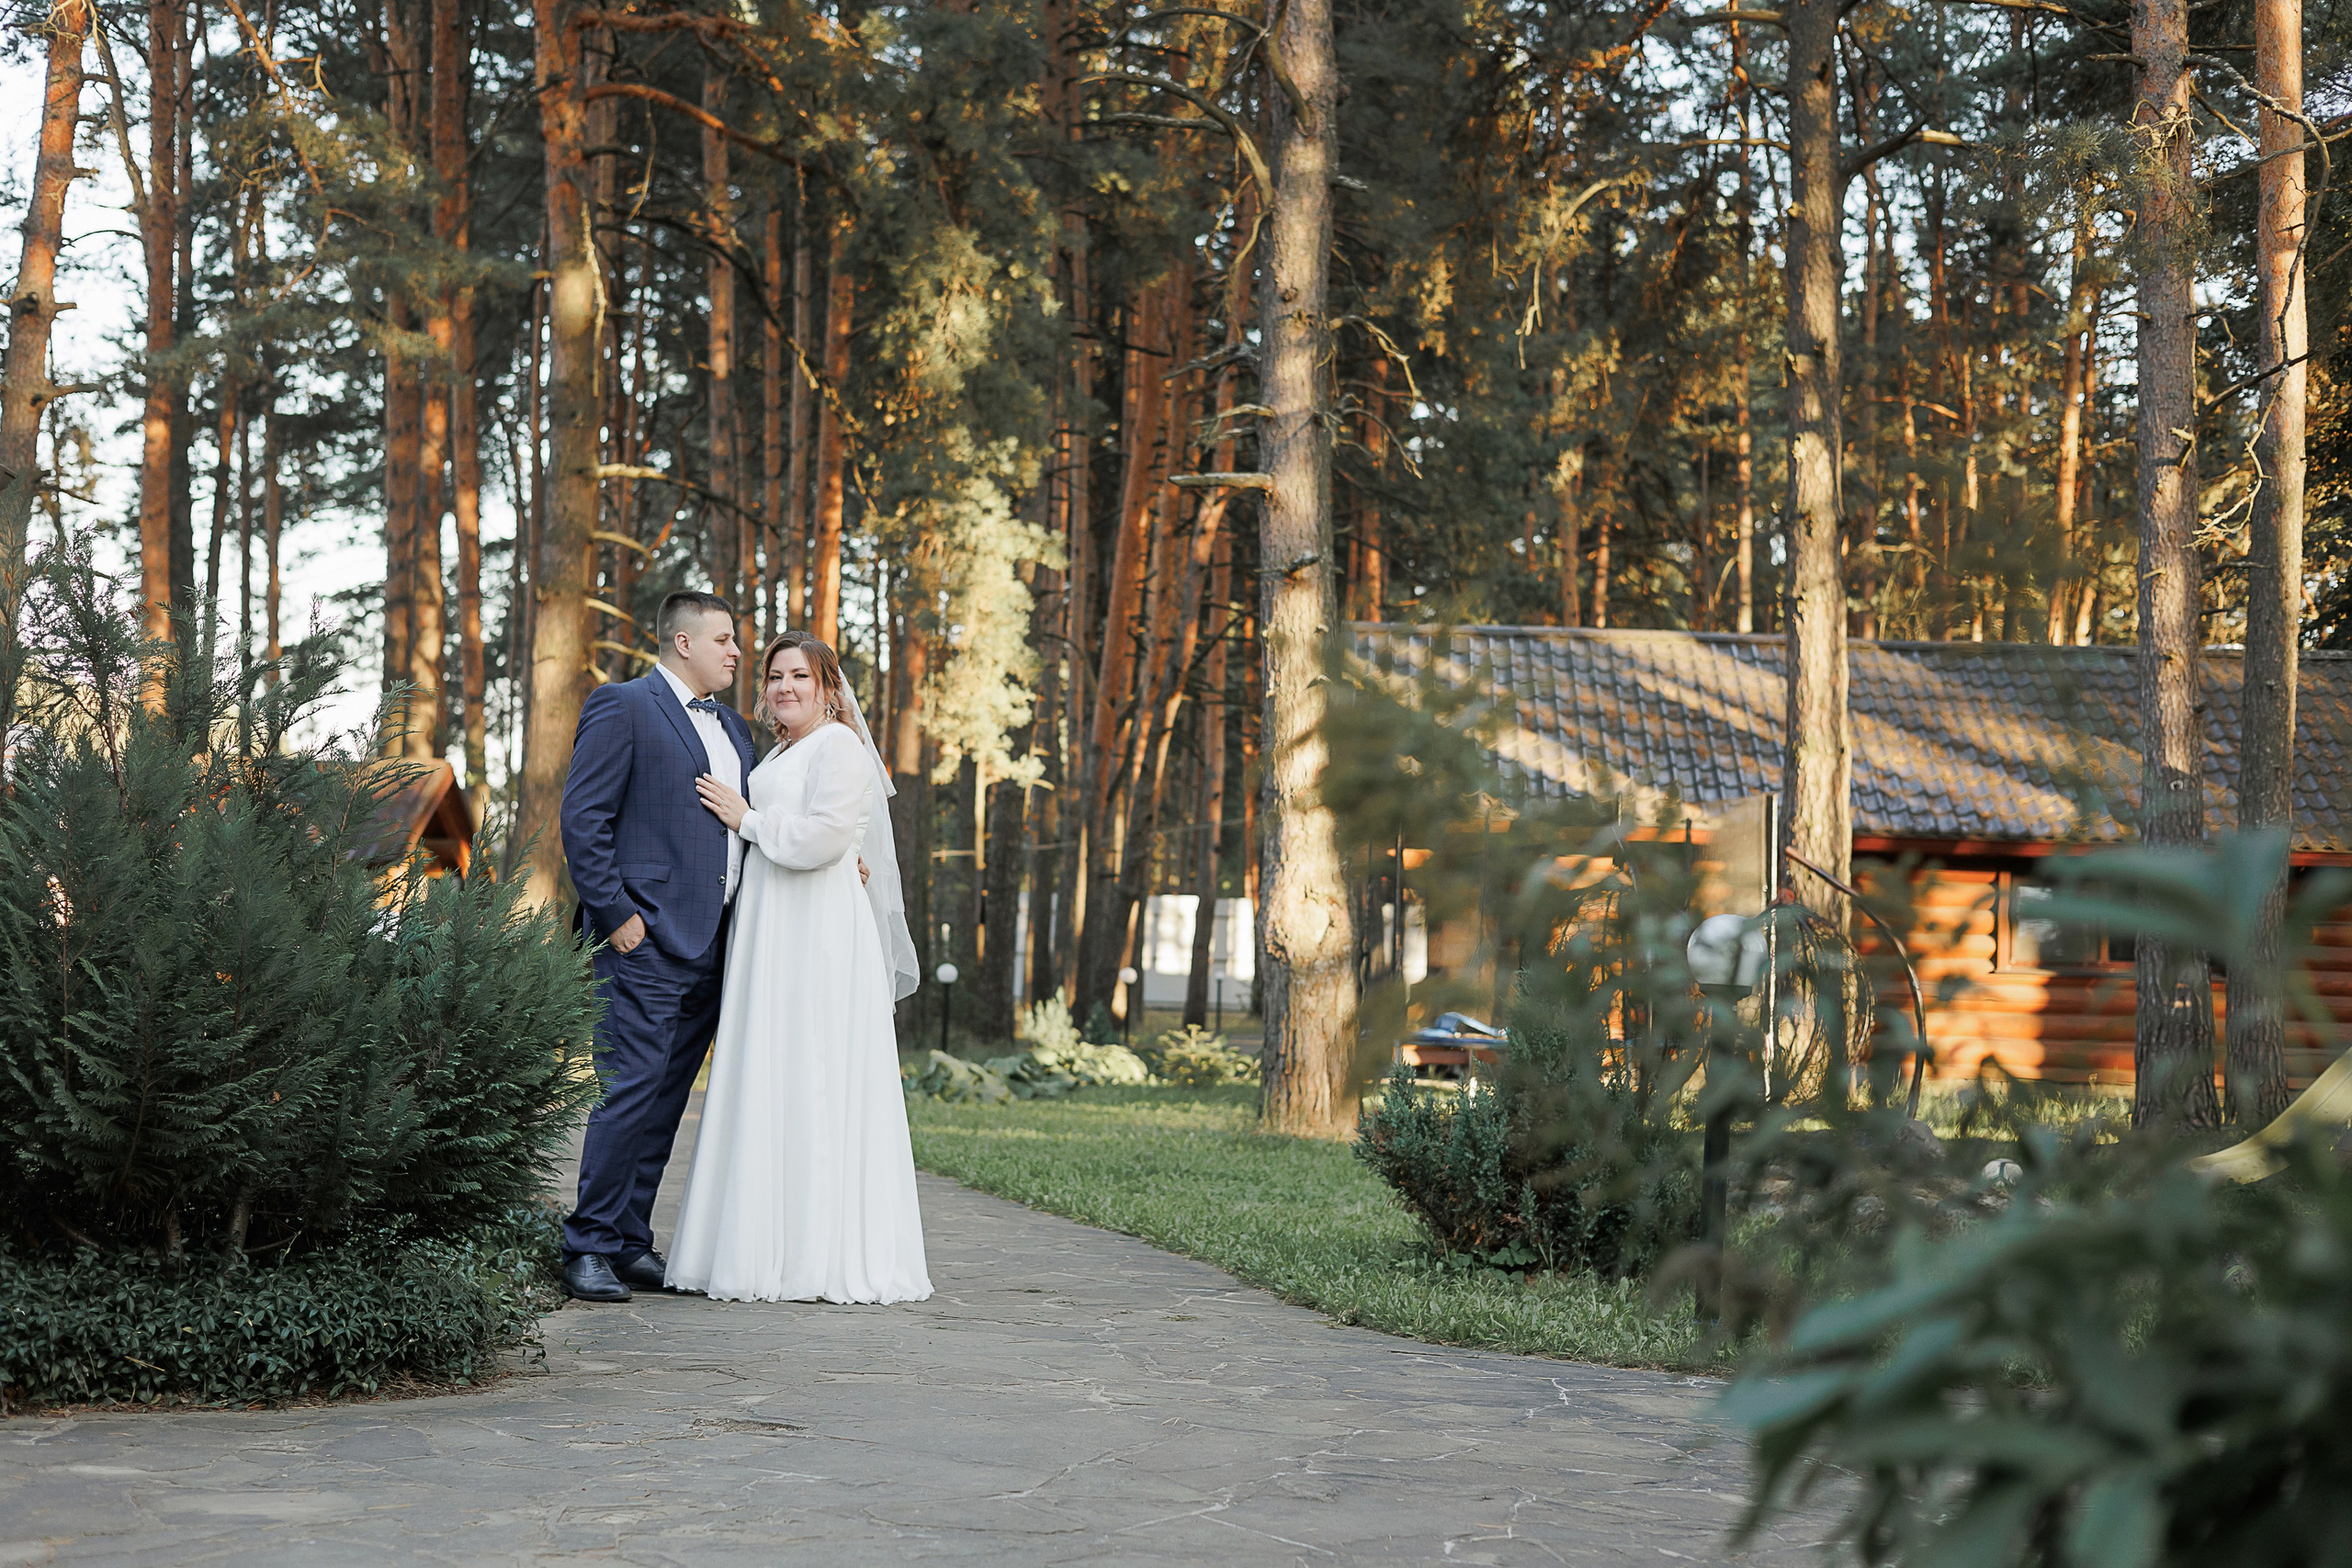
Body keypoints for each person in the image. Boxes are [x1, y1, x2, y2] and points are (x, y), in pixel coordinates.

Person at [664, 629, 933, 1304]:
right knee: (771, 1070)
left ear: (828, 689)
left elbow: (823, 838)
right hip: (772, 922)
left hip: (814, 931)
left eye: (800, 677)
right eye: (776, 675)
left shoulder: (839, 745)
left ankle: (814, 1255)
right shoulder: (785, 748)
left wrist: (748, 817)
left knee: (813, 1071)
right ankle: (761, 1249)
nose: (785, 686)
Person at [556, 592, 757, 1303]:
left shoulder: (735, 728)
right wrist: (617, 916)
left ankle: (629, 1239)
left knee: (667, 1098)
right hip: (642, 940)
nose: (737, 651)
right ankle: (586, 1245)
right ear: (682, 641)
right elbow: (584, 817)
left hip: (714, 945)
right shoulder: (624, 705)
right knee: (630, 1089)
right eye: (725, 639)